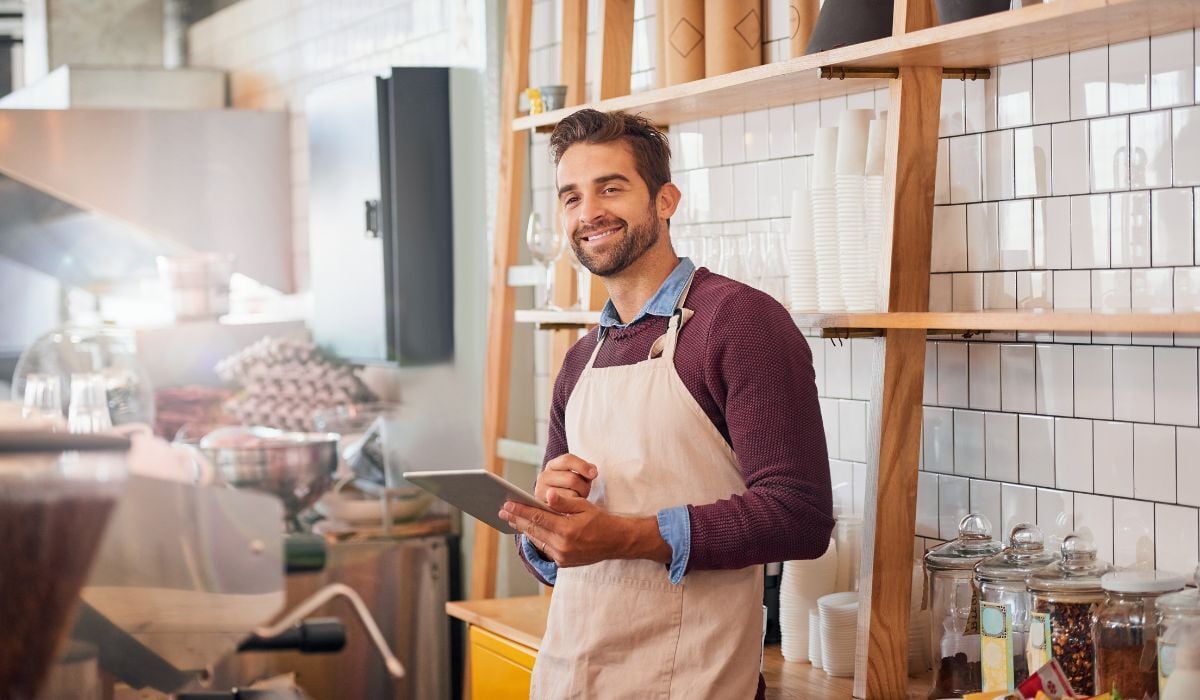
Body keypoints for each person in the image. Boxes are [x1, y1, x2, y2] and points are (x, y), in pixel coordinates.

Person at [498, 108, 834, 699]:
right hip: (572, 680)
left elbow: (799, 516)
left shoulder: (740, 322)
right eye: (571, 197)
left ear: (665, 200)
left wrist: (627, 536)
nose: (588, 212)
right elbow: (558, 557)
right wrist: (545, 519)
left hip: (696, 683)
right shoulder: (581, 359)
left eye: (611, 188)